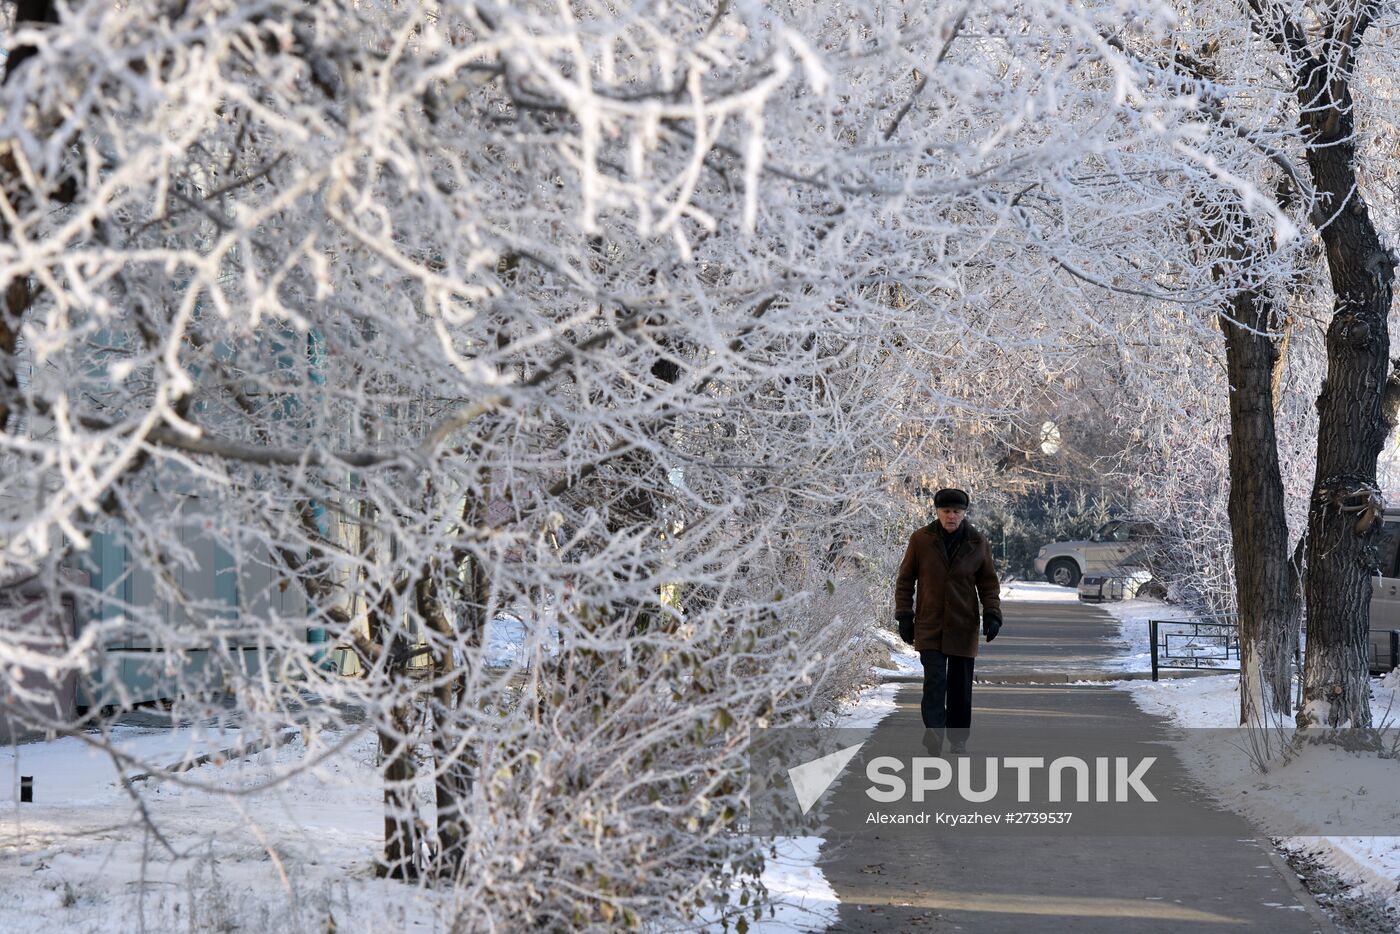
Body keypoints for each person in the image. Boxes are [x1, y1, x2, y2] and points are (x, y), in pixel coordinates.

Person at [894, 487, 1002, 754]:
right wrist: (904, 615)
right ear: (937, 512)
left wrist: (992, 613)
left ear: (964, 513)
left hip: (963, 625)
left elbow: (988, 583)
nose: (951, 516)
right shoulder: (921, 540)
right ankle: (934, 731)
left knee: (960, 686)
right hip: (930, 623)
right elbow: (906, 580)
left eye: (956, 511)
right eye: (946, 511)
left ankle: (958, 738)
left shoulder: (978, 542)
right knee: (934, 682)